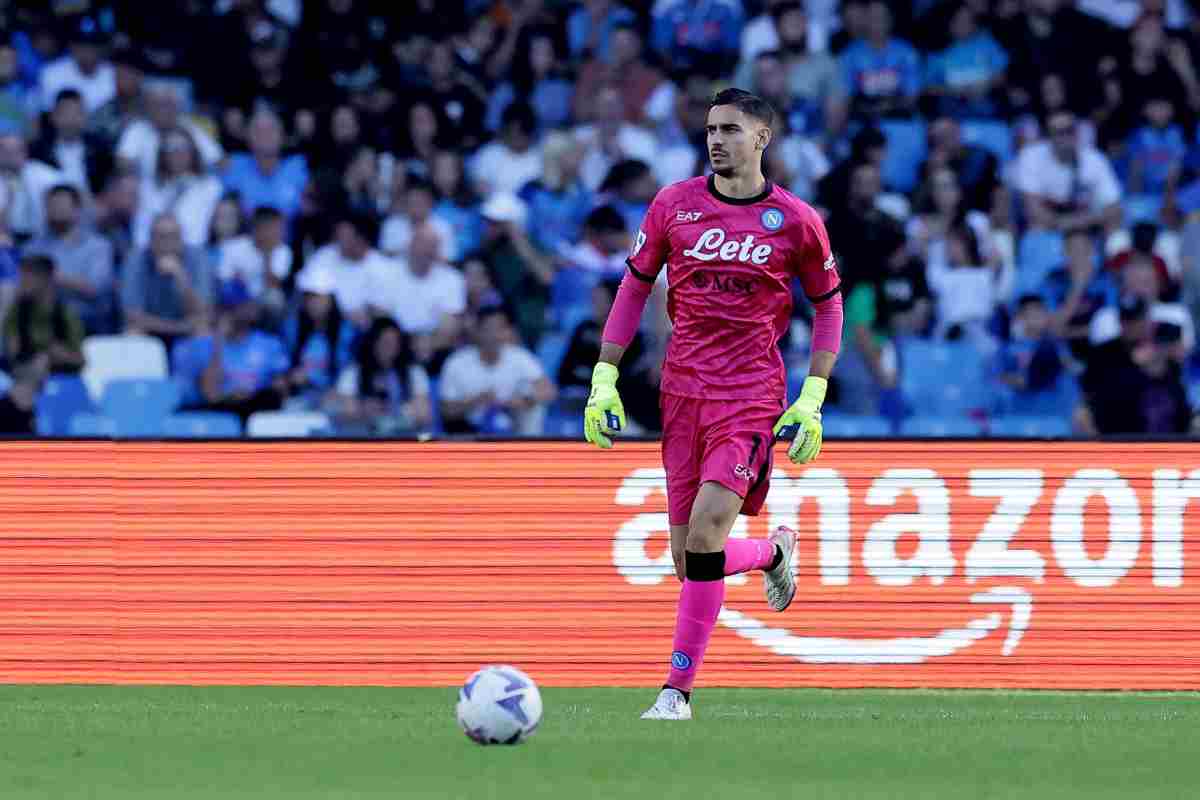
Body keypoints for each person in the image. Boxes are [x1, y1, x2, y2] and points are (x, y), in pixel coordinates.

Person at [582, 88, 843, 720]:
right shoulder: (675, 206)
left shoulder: (797, 220)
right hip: (681, 395)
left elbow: (828, 303)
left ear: (762, 138)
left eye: (730, 129)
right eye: (709, 130)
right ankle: (774, 551)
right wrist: (603, 377)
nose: (716, 140)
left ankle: (676, 693)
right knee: (689, 561)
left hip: (750, 397)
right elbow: (634, 288)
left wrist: (812, 396)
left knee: (704, 536)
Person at [439, 304, 556, 436]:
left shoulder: (520, 357)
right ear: (477, 331)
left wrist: (525, 400)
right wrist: (477, 401)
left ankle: (529, 452)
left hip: (512, 426)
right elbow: (446, 411)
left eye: (500, 329)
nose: (495, 335)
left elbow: (549, 391)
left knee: (534, 407)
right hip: (469, 431)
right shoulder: (456, 362)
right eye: (489, 329)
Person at [24, 184, 116, 334]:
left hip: (88, 319)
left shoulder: (98, 246)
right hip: (43, 318)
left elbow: (95, 288)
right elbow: (26, 288)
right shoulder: (33, 247)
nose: (56, 210)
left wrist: (50, 276)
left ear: (77, 209)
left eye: (61, 205)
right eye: (51, 205)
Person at [121, 213, 214, 349]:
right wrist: (177, 327)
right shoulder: (135, 260)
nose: (167, 243)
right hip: (153, 329)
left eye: (173, 237)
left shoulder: (198, 258)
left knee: (203, 333)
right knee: (132, 333)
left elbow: (203, 312)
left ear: (182, 239)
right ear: (150, 240)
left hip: (187, 330)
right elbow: (132, 316)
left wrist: (181, 277)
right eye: (161, 237)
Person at [333, 316, 433, 435]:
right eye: (385, 342)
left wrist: (396, 410)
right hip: (364, 440)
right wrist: (364, 410)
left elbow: (425, 415)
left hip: (404, 439)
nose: (390, 348)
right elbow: (344, 413)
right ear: (373, 344)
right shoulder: (352, 373)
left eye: (394, 343)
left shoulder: (415, 373)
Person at [2, 252, 86, 375]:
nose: (22, 282)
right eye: (22, 276)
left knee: (42, 361)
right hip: (23, 373)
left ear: (46, 279)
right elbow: (13, 353)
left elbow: (78, 360)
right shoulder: (16, 312)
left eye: (29, 276)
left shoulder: (65, 315)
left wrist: (58, 354)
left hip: (60, 375)